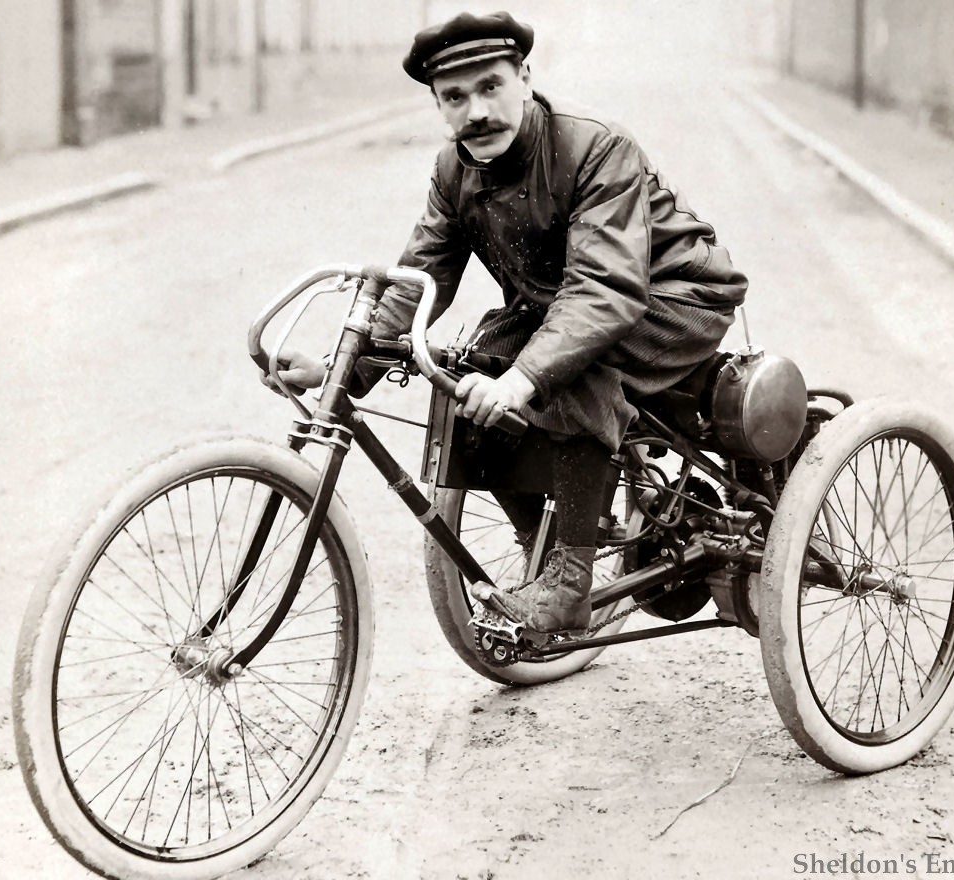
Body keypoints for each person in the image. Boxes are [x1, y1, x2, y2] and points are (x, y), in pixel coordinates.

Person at [266, 11, 748, 635]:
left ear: (524, 77)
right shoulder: (453, 170)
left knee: (569, 367)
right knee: (470, 371)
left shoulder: (595, 147)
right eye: (455, 97)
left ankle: (569, 582)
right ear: (439, 107)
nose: (477, 112)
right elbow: (418, 280)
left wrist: (521, 381)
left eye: (490, 86)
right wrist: (339, 370)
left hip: (675, 296)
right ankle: (545, 552)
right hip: (567, 306)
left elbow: (603, 292)